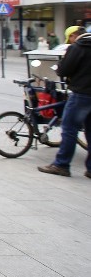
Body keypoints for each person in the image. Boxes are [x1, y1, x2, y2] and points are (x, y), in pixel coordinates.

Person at [38, 26, 90, 178]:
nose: (70, 42)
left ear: (74, 35)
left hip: (81, 94)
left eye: (70, 39)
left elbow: (63, 70)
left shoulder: (77, 47)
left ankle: (61, 165)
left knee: (69, 128)